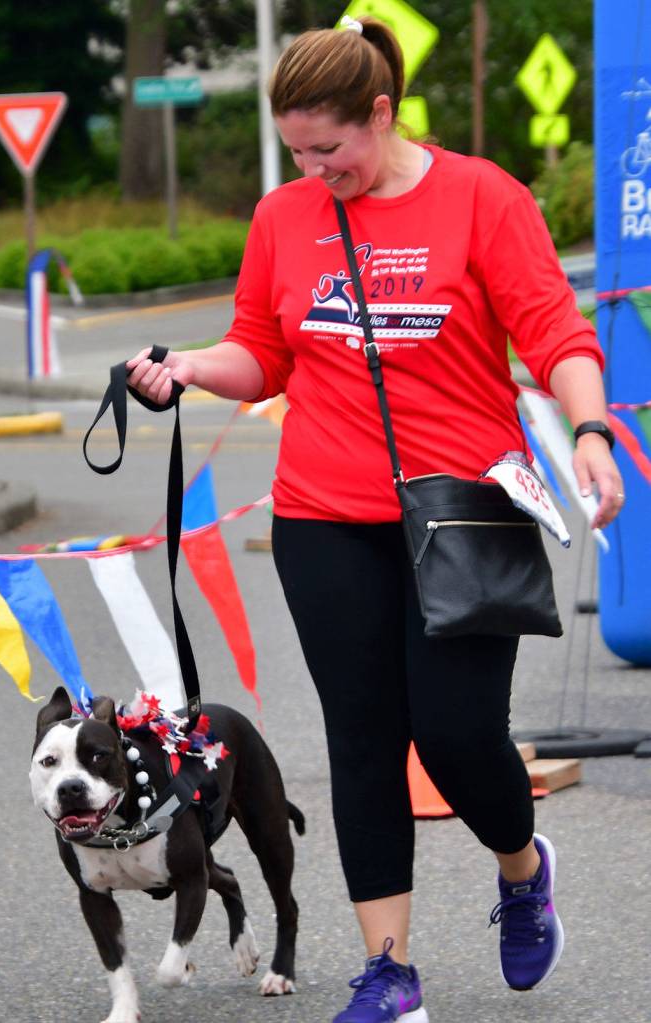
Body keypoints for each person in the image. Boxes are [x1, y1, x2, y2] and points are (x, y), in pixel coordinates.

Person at [127, 16, 624, 1023]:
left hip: (463, 515)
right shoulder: (285, 216)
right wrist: (190, 368)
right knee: (361, 741)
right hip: (325, 517)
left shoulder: (482, 198)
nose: (316, 171)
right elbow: (263, 351)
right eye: (298, 153)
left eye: (330, 148)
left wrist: (590, 430)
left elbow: (555, 332)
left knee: (456, 737)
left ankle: (522, 869)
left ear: (382, 113)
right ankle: (388, 974)